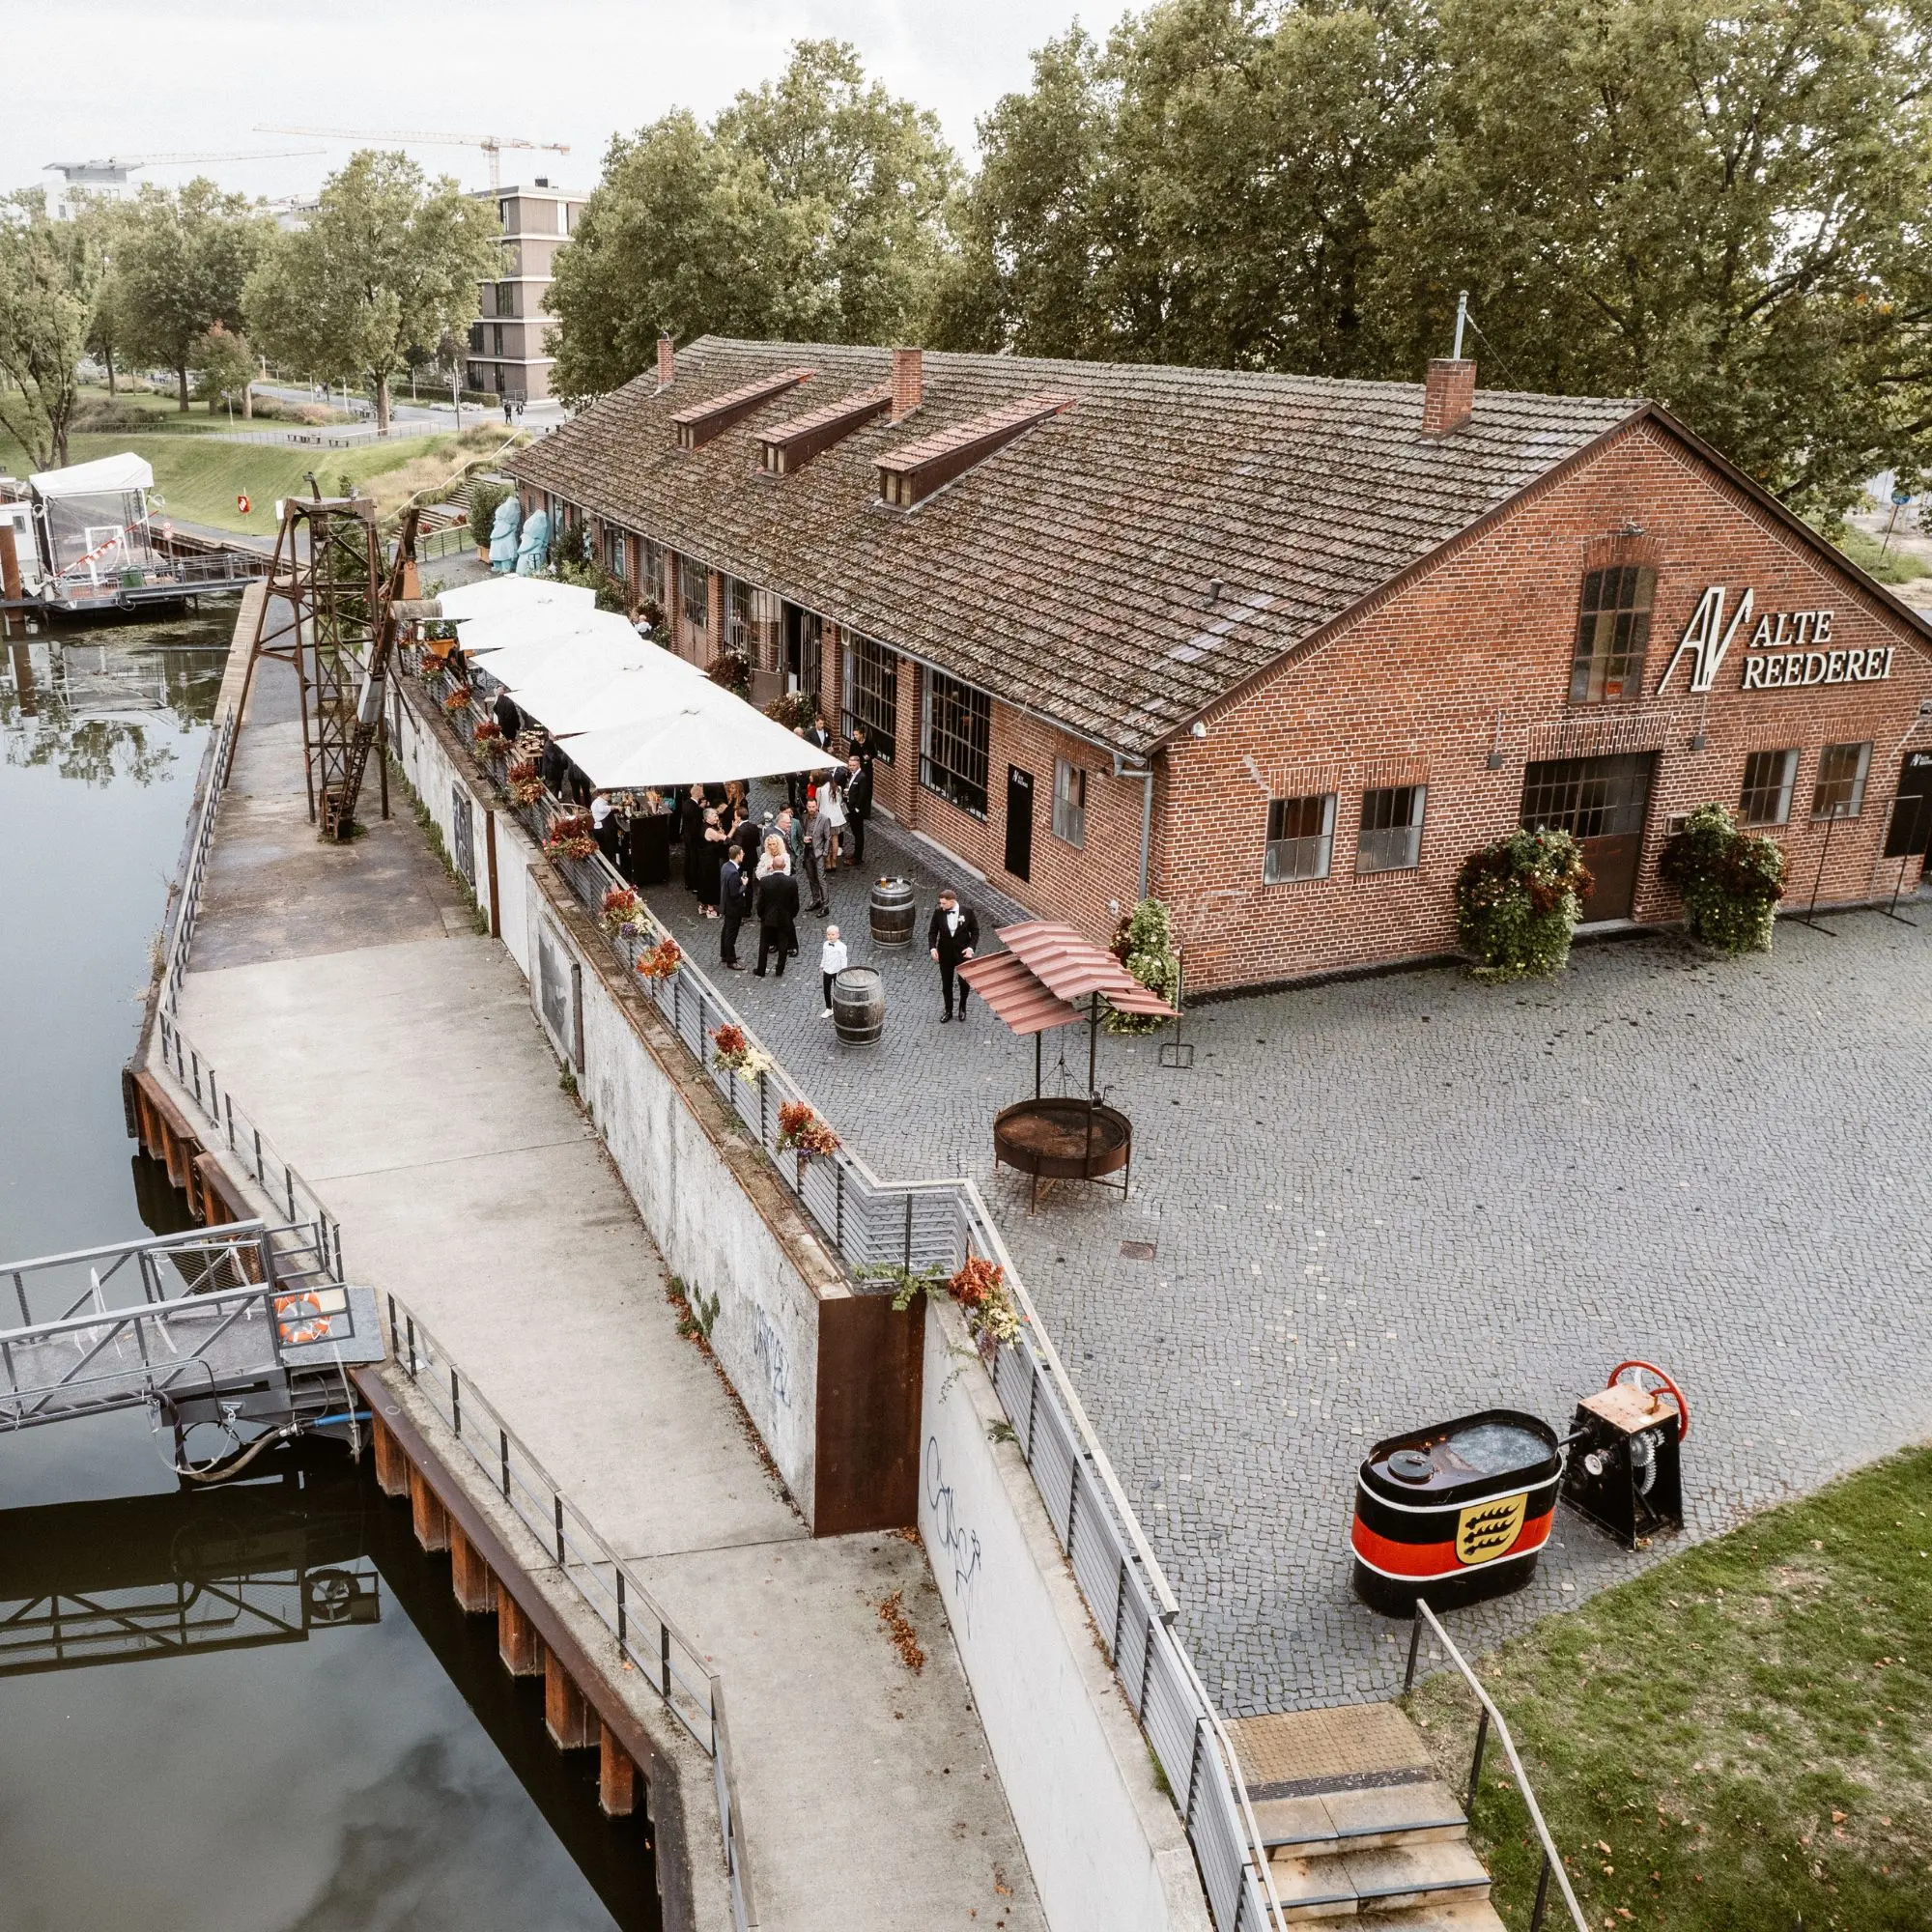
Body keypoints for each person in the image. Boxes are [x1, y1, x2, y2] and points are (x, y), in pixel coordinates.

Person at [927, 889, 980, 1022]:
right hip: (945, 953)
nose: (941, 906)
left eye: (944, 903)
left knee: (963, 982)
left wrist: (970, 948)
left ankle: (962, 1008)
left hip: (962, 953)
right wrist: (933, 948)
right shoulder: (938, 913)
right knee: (946, 983)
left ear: (952, 901)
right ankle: (948, 1010)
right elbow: (932, 932)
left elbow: (975, 931)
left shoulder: (967, 912)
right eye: (941, 903)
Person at [754, 861, 800, 977]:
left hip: (768, 917)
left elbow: (760, 902)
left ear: (772, 867)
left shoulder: (765, 881)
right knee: (783, 944)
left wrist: (762, 915)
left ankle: (761, 969)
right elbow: (795, 903)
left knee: (764, 944)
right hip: (785, 917)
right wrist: (791, 915)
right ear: (784, 866)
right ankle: (779, 969)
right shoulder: (791, 882)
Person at [718, 843, 750, 969]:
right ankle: (731, 960)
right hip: (733, 908)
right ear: (737, 856)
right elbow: (735, 893)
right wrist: (744, 885)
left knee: (726, 930)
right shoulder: (734, 873)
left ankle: (725, 954)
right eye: (742, 853)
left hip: (726, 905)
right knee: (731, 933)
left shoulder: (726, 866)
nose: (744, 855)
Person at [840, 753, 873, 865]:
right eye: (850, 765)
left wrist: (857, 808)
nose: (851, 767)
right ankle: (855, 854)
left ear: (858, 765)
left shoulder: (862, 777)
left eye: (853, 765)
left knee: (858, 834)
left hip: (856, 810)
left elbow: (863, 794)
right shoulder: (852, 775)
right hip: (850, 807)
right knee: (855, 833)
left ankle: (858, 857)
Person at [800, 795, 830, 914]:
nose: (812, 809)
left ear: (817, 806)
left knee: (821, 879)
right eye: (809, 806)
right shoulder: (804, 817)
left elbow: (828, 837)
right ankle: (816, 900)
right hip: (808, 852)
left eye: (814, 806)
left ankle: (825, 905)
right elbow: (803, 831)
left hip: (818, 854)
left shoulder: (824, 819)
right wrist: (803, 838)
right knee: (811, 878)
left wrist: (825, 852)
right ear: (806, 807)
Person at [696, 807, 727, 918]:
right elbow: (723, 839)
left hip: (705, 860)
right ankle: (710, 909)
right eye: (714, 815)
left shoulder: (706, 827)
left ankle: (703, 906)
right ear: (707, 817)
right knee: (710, 882)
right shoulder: (709, 830)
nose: (716, 817)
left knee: (704, 881)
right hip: (709, 861)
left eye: (716, 815)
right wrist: (733, 829)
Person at [820, 924, 848, 1017]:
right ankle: (828, 1008)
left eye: (832, 934)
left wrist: (843, 971)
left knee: (837, 991)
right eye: (828, 935)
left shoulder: (842, 946)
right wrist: (822, 965)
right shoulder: (825, 944)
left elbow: (844, 959)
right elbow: (824, 956)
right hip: (827, 970)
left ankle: (838, 1008)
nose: (830, 937)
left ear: (837, 935)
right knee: (826, 990)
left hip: (837, 971)